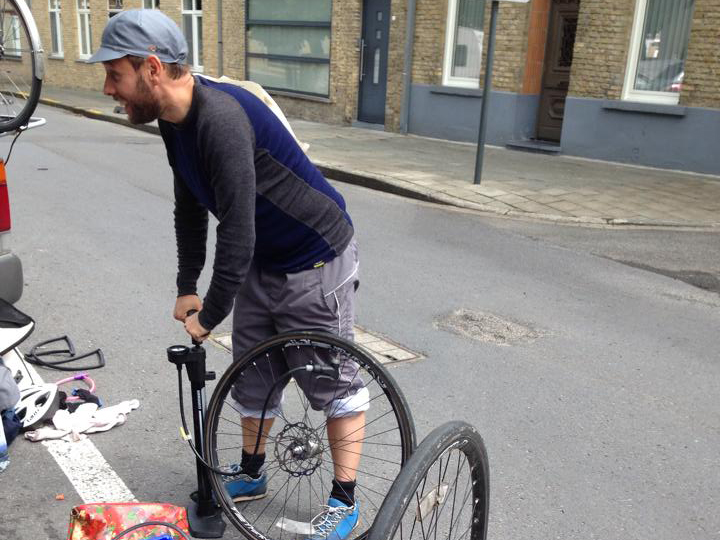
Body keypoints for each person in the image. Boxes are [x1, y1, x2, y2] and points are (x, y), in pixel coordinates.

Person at [89, 10, 365, 540]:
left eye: (114, 74)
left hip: (315, 253)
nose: (108, 88)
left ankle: (343, 499)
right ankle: (252, 473)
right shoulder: (175, 122)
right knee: (252, 373)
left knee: (333, 384)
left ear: (151, 68)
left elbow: (238, 230)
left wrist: (209, 315)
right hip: (264, 259)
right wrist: (186, 286)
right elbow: (190, 205)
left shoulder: (220, 118)